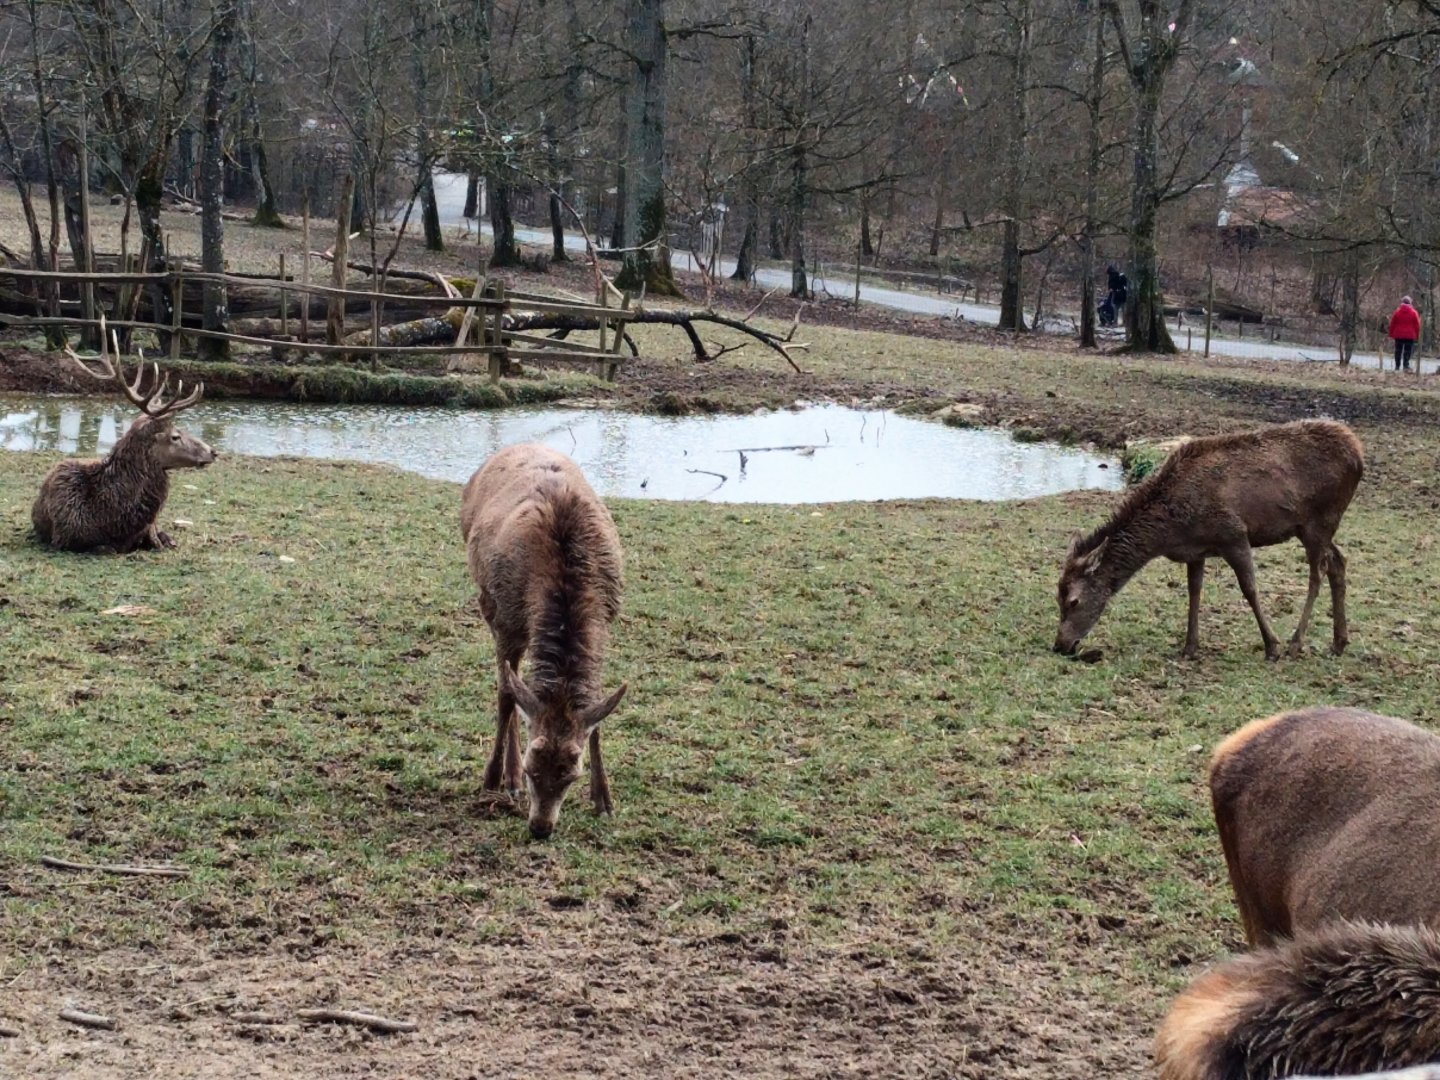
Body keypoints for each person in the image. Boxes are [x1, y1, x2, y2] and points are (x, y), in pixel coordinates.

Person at [1388, 295, 1422, 371]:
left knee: (1398, 350)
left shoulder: (1397, 312)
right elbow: (1417, 325)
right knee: (1408, 351)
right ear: (1410, 303)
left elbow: (1393, 323)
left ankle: (1397, 366)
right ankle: (1405, 365)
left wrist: (1391, 334)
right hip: (1410, 335)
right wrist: (1417, 335)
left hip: (1398, 334)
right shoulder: (1414, 313)